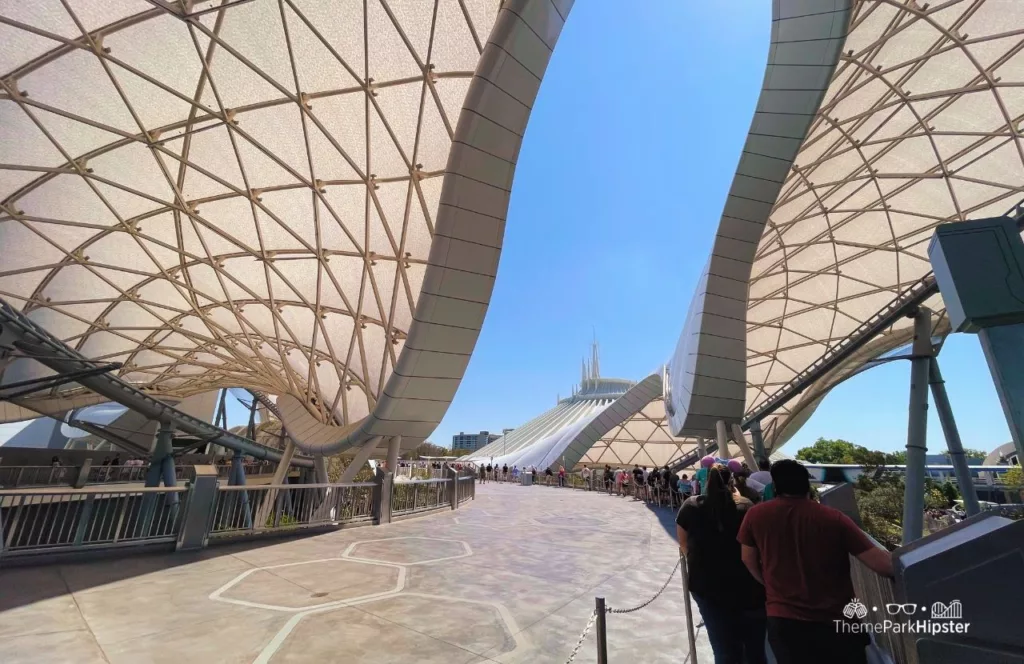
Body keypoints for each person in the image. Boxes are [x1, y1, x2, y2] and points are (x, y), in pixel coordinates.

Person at [738, 460, 894, 664]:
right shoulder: (832, 518)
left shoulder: (756, 515)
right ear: (807, 486)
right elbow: (882, 565)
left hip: (784, 621)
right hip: (836, 622)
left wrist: (768, 584)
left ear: (776, 487)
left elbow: (747, 558)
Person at [677, 465, 766, 664]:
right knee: (754, 650)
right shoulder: (747, 506)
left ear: (706, 480)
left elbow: (683, 544)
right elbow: (753, 549)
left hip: (707, 587)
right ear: (732, 481)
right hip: (747, 588)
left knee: (724, 650)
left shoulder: (690, 506)